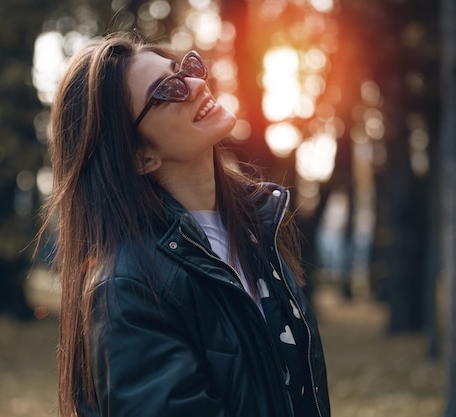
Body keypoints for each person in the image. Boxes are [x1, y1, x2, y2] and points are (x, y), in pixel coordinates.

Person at [36, 32, 330, 417]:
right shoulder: (127, 288)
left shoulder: (254, 232)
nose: (195, 84)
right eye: (167, 90)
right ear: (140, 156)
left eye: (185, 69)